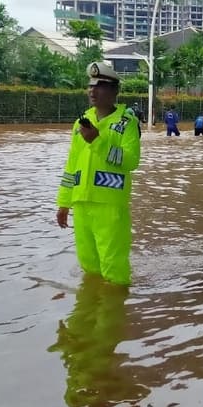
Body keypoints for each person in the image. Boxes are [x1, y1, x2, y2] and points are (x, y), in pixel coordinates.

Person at [56, 62, 141, 287]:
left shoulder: (127, 123)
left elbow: (131, 161)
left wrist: (97, 141)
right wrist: (64, 203)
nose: (93, 91)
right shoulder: (80, 124)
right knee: (88, 266)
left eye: (100, 86)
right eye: (90, 86)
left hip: (110, 205)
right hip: (82, 203)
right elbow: (71, 165)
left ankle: (113, 314)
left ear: (114, 91)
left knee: (113, 268)